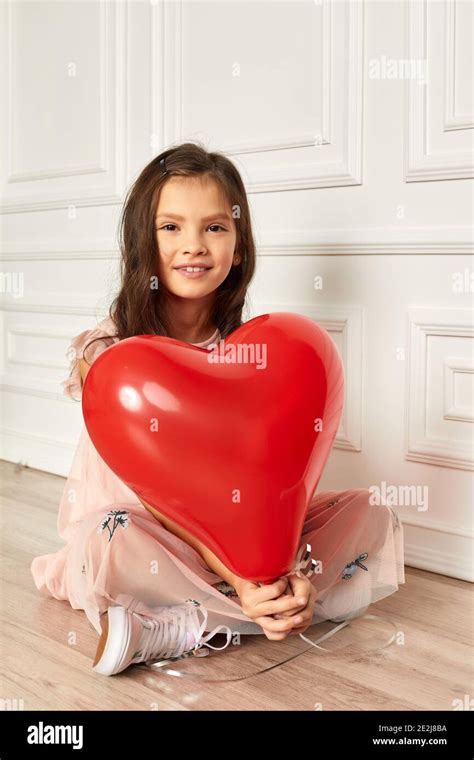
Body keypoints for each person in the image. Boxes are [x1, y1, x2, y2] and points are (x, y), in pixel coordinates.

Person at [30, 143, 405, 676]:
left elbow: (264, 485)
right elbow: (155, 499)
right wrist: (238, 570)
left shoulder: (254, 356)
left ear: (238, 243)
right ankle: (256, 609)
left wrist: (273, 563)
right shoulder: (107, 356)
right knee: (105, 540)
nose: (194, 246)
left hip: (240, 547)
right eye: (171, 228)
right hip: (154, 538)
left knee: (370, 510)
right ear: (144, 240)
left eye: (215, 227)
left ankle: (200, 619)